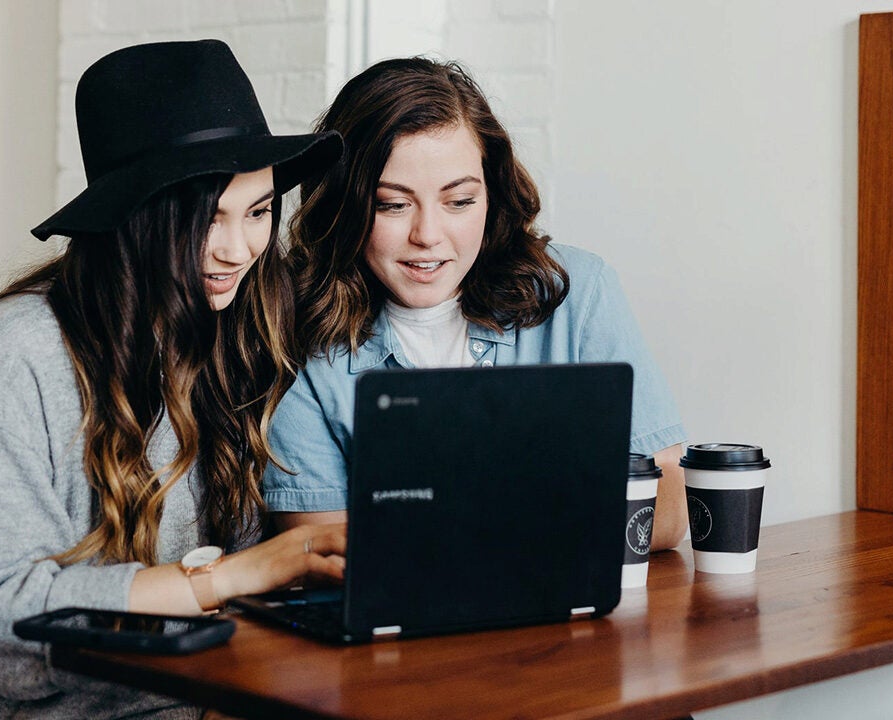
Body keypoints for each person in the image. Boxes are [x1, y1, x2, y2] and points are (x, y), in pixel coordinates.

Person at [0, 40, 345, 719]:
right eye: (206, 219)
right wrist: (227, 577)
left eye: (258, 212)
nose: (238, 249)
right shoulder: (17, 351)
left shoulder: (236, 333)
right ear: (136, 217)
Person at [265, 57, 689, 551]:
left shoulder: (577, 292)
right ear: (344, 205)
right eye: (392, 204)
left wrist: (440, 526)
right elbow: (320, 551)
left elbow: (665, 512)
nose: (427, 235)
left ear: (492, 194)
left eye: (459, 201)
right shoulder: (294, 332)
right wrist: (548, 505)